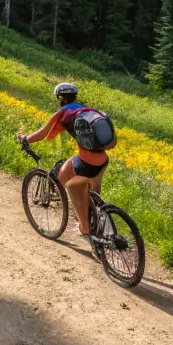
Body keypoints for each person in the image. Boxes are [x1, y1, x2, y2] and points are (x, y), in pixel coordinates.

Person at [19, 83, 117, 240]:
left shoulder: (64, 113)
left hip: (86, 161)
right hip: (103, 160)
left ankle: (85, 229)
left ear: (60, 98)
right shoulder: (91, 111)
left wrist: (25, 139)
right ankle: (97, 219)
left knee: (69, 184)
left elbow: (42, 134)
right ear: (75, 97)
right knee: (93, 194)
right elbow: (111, 141)